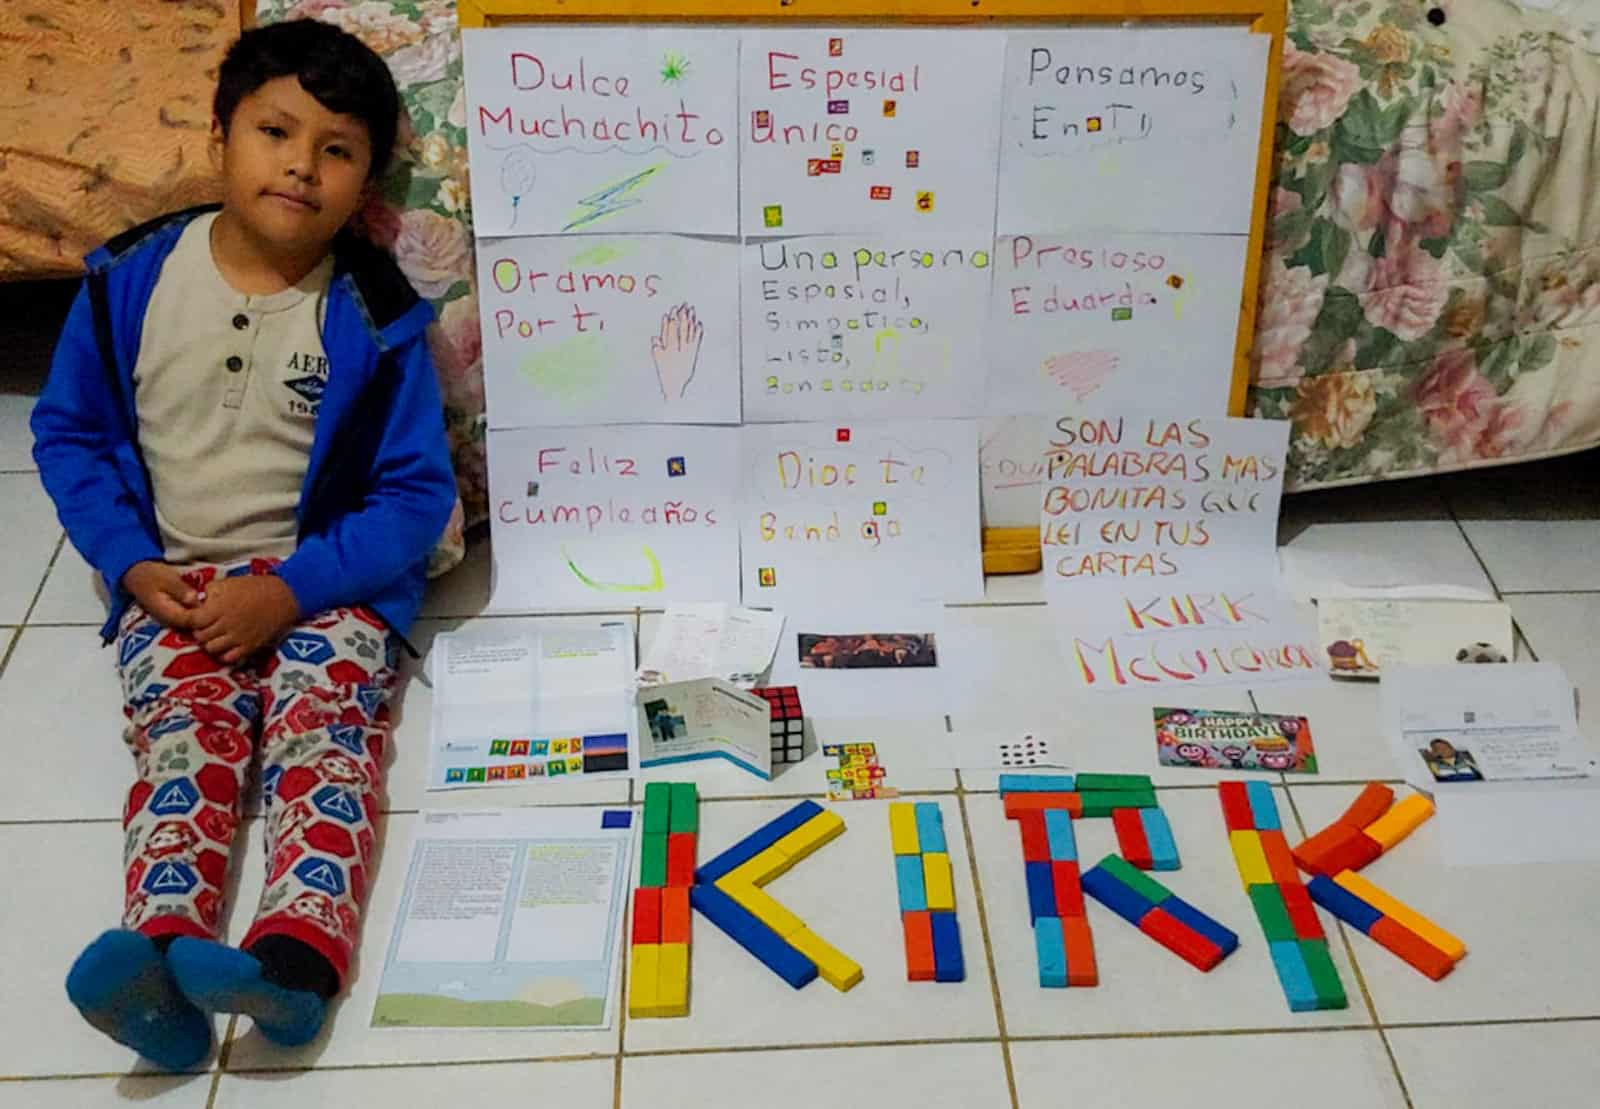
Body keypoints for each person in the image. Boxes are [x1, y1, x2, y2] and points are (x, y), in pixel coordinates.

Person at [30, 19, 457, 1070]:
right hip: (171, 584)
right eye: (276, 131)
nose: (301, 167)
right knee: (186, 742)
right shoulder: (125, 280)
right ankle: (162, 959)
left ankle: (291, 970)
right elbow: (69, 434)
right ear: (221, 134)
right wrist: (132, 564)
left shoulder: (378, 313)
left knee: (327, 741)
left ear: (366, 180)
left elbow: (414, 497)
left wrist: (293, 588)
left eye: (338, 150)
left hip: (326, 586)